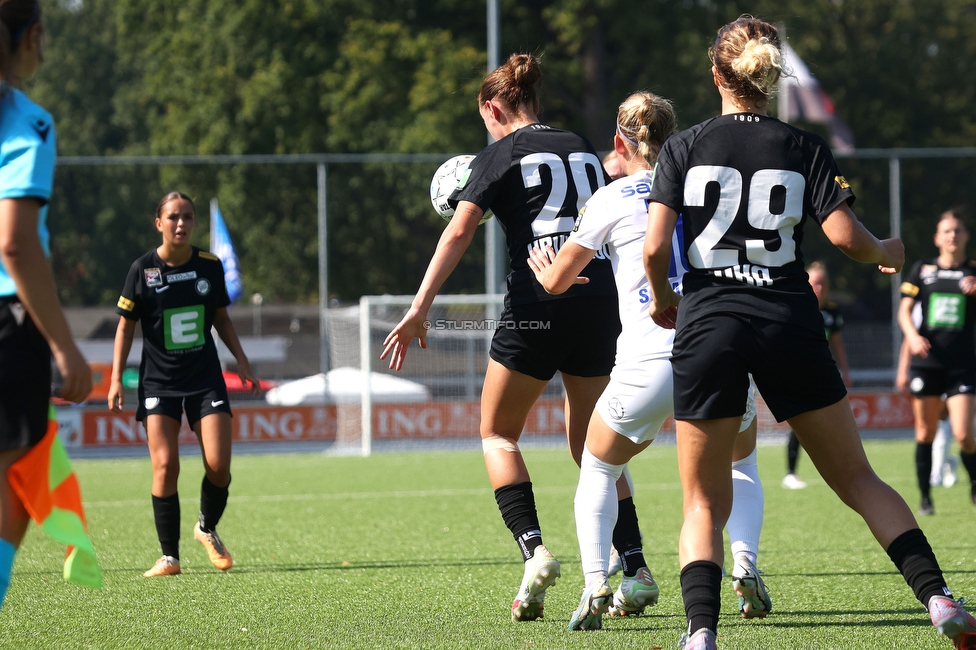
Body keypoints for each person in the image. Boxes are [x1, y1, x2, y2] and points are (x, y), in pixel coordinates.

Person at [643, 16, 976, 650]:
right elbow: (847, 239)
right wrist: (890, 251)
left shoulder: (682, 146)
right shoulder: (803, 146)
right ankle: (937, 599)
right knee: (858, 478)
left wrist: (665, 302)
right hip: (789, 319)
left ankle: (701, 635)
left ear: (717, 74)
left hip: (709, 321)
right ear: (770, 80)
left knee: (703, 502)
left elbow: (656, 247)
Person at [381, 53, 624, 622]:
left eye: (484, 120)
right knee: (593, 446)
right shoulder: (582, 145)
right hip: (598, 299)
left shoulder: (500, 153)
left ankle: (534, 550)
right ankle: (627, 562)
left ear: (494, 108)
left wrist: (420, 308)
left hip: (539, 304)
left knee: (496, 434)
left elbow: (459, 230)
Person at [528, 91, 770, 631]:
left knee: (598, 467)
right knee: (740, 462)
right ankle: (746, 567)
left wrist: (545, 264)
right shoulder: (707, 187)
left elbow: (557, 281)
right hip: (720, 352)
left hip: (647, 359)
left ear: (620, 142)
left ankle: (596, 586)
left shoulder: (611, 199)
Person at [108, 192, 260, 577]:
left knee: (218, 465)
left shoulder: (209, 266)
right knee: (165, 465)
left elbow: (221, 318)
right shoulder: (141, 270)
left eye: (188, 217)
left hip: (205, 379)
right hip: (159, 380)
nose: (181, 223)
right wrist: (114, 379)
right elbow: (125, 327)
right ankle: (169, 557)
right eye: (173, 217)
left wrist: (240, 358)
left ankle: (206, 528)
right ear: (158, 223)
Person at [0, 0, 94, 608]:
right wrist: (64, 348)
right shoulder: (26, 123)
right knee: (14, 478)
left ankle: (71, 535)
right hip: (7, 326)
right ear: (33, 36)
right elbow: (14, 243)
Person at [898, 209, 976, 516]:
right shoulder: (922, 269)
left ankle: (973, 480)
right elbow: (904, 311)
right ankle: (926, 498)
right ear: (937, 238)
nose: (953, 235)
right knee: (925, 433)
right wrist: (913, 337)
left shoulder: (973, 271)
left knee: (963, 434)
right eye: (947, 231)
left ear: (966, 236)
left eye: (958, 230)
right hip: (927, 363)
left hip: (963, 365)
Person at [782, 262, 852, 489]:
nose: (819, 288)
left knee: (832, 422)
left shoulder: (832, 310)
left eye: (822, 283)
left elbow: (837, 344)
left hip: (824, 373)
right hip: (797, 371)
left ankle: (843, 470)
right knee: (801, 422)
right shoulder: (796, 304)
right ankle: (791, 473)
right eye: (814, 283)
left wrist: (845, 371)